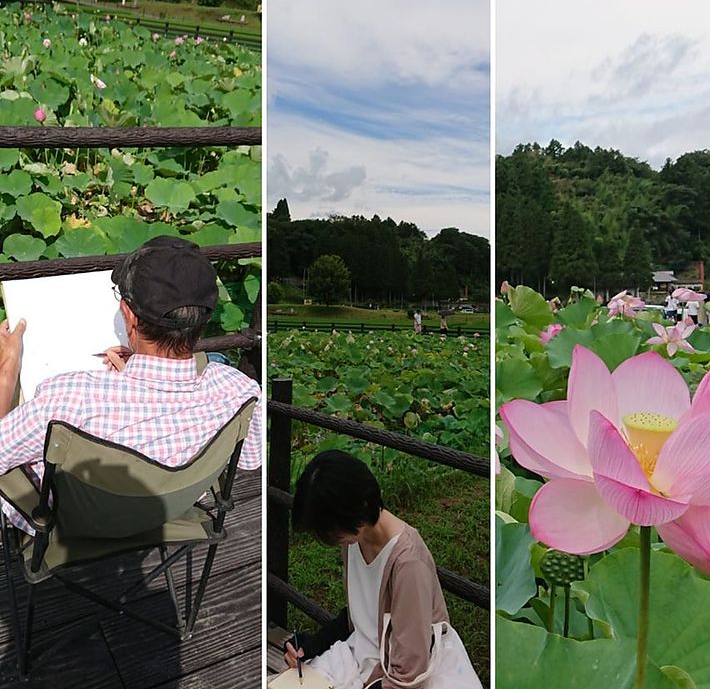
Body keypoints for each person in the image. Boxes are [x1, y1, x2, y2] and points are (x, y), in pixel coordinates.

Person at [0, 236, 263, 533]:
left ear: (128, 314)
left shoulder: (70, 400)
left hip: (72, 526)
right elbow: (250, 461)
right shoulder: (241, 391)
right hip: (168, 513)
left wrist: (7, 371)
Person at [284, 450, 481, 689]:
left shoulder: (408, 564)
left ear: (359, 506)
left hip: (400, 677)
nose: (333, 539)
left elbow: (409, 672)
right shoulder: (354, 537)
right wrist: (311, 645)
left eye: (333, 530)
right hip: (364, 659)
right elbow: (364, 614)